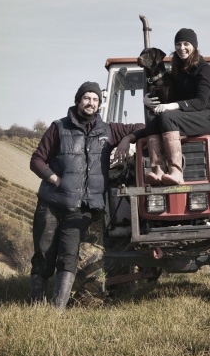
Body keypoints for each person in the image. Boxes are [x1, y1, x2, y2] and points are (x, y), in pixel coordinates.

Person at [30, 81, 144, 309]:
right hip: (52, 203)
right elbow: (36, 160)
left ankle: (57, 309)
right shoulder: (59, 127)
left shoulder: (108, 130)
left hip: (81, 208)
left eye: (95, 99)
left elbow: (142, 127)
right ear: (78, 101)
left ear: (99, 105)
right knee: (43, 253)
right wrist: (56, 180)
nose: (90, 103)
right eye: (86, 98)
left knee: (69, 255)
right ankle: (35, 304)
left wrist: (126, 139)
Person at [136, 28, 210, 185]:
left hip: (206, 116)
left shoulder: (204, 69)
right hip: (186, 116)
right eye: (178, 44)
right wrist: (147, 101)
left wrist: (172, 106)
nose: (182, 48)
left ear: (194, 46)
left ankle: (176, 173)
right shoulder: (177, 71)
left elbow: (201, 102)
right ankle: (158, 171)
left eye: (186, 43)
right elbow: (168, 96)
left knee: (167, 116)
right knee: (155, 120)